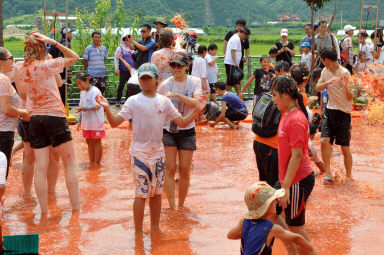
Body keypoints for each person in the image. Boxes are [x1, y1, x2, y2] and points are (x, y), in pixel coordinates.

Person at [95, 63, 205, 234]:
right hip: (139, 154)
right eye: (143, 78)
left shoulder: (164, 101)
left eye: (149, 78)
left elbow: (182, 122)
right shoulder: (133, 101)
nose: (146, 82)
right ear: (139, 80)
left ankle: (155, 228)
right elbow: (115, 123)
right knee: (141, 194)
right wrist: (107, 109)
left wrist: (197, 110)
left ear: (157, 80)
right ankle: (138, 232)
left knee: (156, 194)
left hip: (158, 154)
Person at [14, 32, 80, 214]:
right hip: (55, 116)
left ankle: (43, 212)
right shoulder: (47, 65)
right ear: (42, 48)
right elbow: (74, 57)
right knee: (70, 164)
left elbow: (22, 94)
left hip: (35, 118)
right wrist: (54, 43)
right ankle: (76, 210)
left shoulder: (19, 67)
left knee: (40, 167)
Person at [271, 75, 315, 242]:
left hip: (297, 180)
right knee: (270, 213)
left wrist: (287, 187)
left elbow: (297, 156)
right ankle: (292, 249)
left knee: (295, 227)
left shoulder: (296, 120)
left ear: (285, 95)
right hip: (286, 179)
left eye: (275, 95)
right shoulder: (286, 113)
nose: (273, 99)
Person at [157, 52, 203, 210]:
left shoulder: (194, 82)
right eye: (173, 65)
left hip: (188, 129)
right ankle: (171, 206)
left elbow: (197, 102)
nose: (176, 68)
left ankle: (181, 205)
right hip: (168, 129)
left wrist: (177, 95)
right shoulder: (164, 85)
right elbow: (158, 107)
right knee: (169, 168)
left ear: (187, 66)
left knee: (184, 169)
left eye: (179, 65)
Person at [227, 182, 318, 255]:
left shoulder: (244, 222)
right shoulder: (272, 228)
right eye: (273, 201)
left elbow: (230, 235)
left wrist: (251, 235)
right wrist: (310, 248)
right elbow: (296, 238)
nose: (275, 202)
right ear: (267, 206)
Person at [316, 47, 353, 184]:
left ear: (326, 60)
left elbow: (350, 97)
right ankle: (328, 173)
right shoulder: (325, 71)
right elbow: (317, 88)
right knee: (324, 141)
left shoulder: (345, 73)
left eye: (321, 60)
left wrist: (344, 86)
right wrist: (328, 82)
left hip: (343, 113)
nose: (322, 62)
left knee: (345, 148)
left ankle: (349, 176)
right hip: (330, 111)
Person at [0, 48, 28, 176]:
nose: (13, 61)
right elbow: (6, 109)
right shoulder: (3, 79)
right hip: (3, 132)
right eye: (11, 58)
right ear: (1, 62)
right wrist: (23, 112)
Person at [75, 73, 105, 165]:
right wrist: (79, 121)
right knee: (88, 141)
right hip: (87, 122)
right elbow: (81, 106)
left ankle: (97, 163)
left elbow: (97, 106)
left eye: (80, 83)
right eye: (77, 85)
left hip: (96, 122)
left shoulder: (95, 91)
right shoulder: (82, 93)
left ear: (87, 81)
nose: (79, 86)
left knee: (96, 141)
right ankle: (92, 162)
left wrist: (83, 108)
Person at [49, 27, 75, 104]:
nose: (71, 34)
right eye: (70, 33)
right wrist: (68, 70)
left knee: (58, 89)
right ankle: (62, 106)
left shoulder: (58, 42)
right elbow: (66, 57)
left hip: (55, 69)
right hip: (62, 70)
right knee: (63, 89)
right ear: (67, 34)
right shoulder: (67, 44)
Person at [224, 27, 251, 95]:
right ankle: (228, 98)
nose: (245, 38)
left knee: (235, 80)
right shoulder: (236, 39)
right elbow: (233, 52)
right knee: (230, 82)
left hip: (233, 63)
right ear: (243, 33)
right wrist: (235, 62)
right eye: (245, 36)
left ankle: (239, 95)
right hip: (231, 63)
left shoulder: (236, 38)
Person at [114, 34, 136, 107]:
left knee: (130, 86)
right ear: (122, 40)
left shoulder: (132, 48)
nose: (126, 41)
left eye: (128, 40)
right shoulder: (120, 48)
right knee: (121, 85)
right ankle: (118, 100)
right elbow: (116, 59)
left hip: (131, 71)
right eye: (125, 40)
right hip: (123, 70)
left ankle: (127, 100)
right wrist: (116, 69)